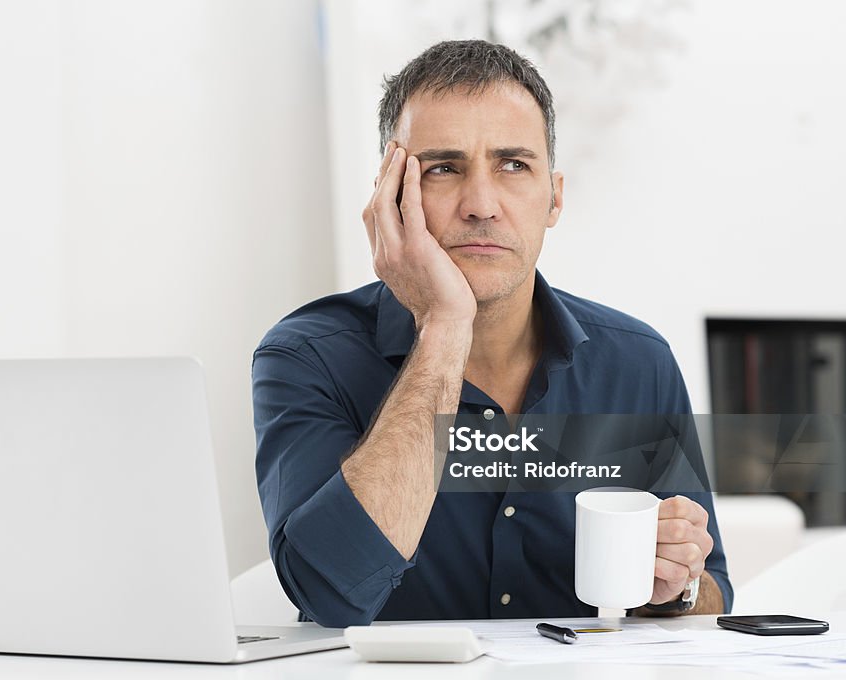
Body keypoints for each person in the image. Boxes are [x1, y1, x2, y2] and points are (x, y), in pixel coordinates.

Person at [251, 39, 732, 628]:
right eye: (444, 168)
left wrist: (675, 588)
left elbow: (714, 594)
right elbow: (329, 592)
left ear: (553, 197)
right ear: (390, 196)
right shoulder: (306, 357)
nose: (481, 204)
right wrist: (446, 329)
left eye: (513, 165)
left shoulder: (638, 361)